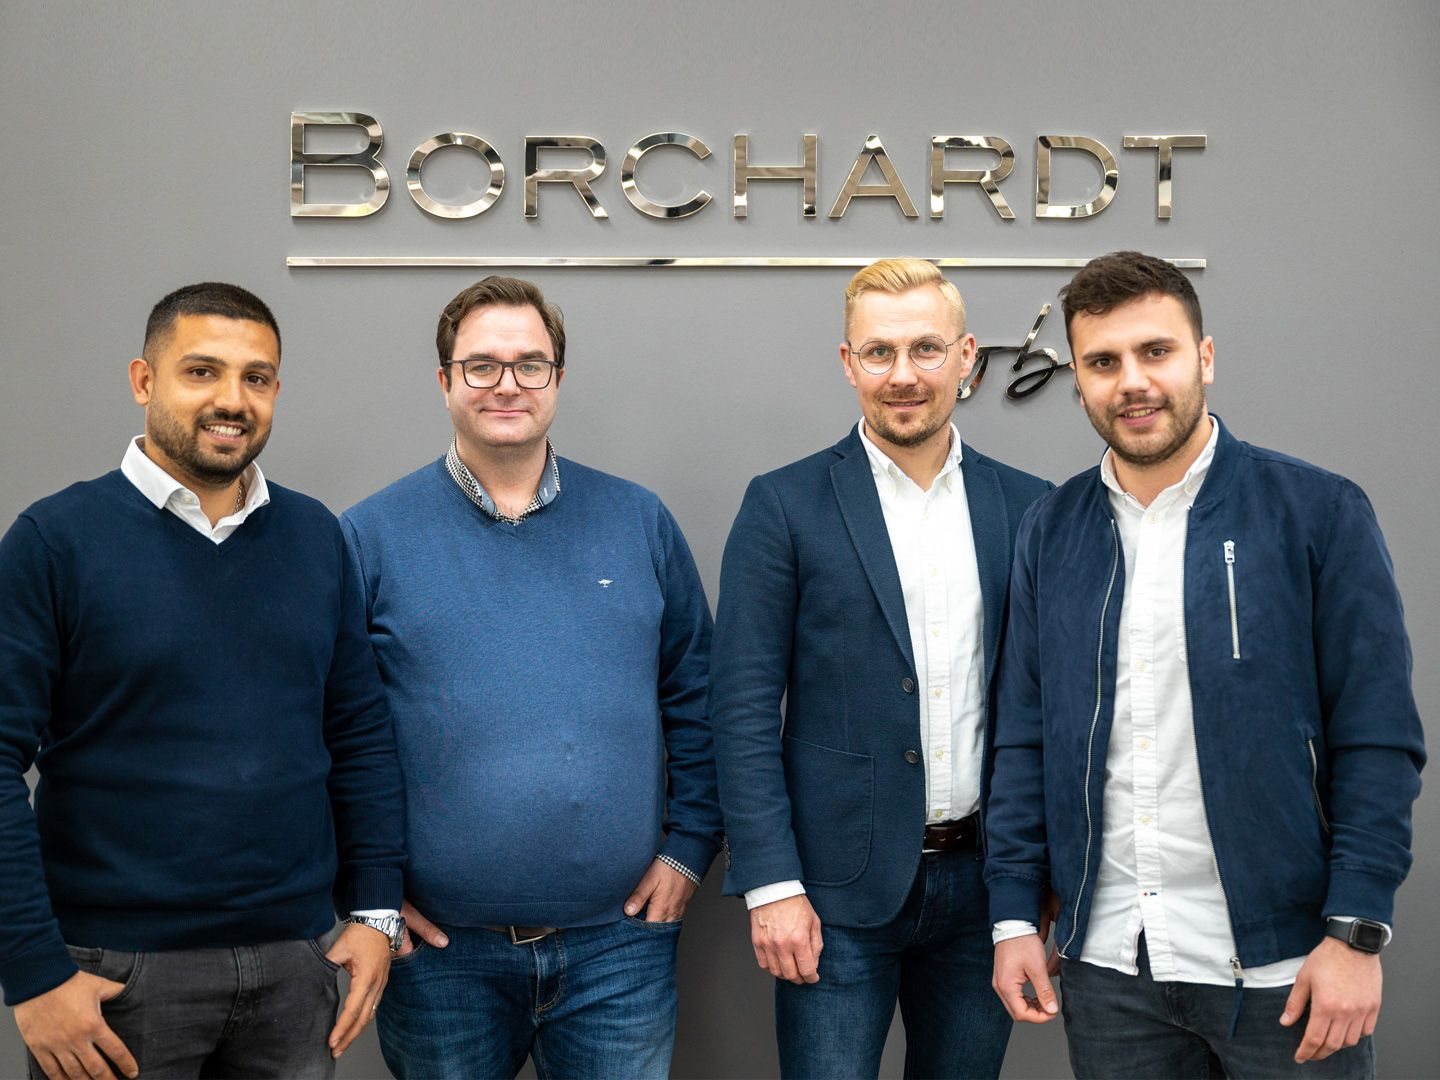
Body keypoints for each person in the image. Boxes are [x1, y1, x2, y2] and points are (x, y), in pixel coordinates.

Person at [986, 251, 1425, 1079]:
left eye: (1156, 351)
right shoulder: (1050, 529)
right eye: (1103, 362)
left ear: (1206, 357)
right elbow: (1025, 738)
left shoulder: (1318, 511)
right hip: (1111, 968)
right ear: (1078, 382)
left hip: (1286, 967)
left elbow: (1377, 739)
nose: (1132, 382)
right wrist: (1013, 917)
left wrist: (1357, 932)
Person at [0, 283, 408, 1080]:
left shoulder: (315, 536)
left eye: (256, 378)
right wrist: (33, 971)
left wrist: (374, 910)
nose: (232, 400)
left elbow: (359, 734)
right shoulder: (55, 541)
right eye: (201, 371)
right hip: (115, 972)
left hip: (294, 966)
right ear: (143, 380)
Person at [340, 275, 722, 1080]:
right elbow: (326, 727)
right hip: (439, 959)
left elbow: (699, 697)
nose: (507, 384)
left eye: (530, 364)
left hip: (619, 949)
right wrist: (366, 891)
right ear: (444, 380)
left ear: (558, 378)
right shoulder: (369, 536)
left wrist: (690, 847)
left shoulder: (639, 521)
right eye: (481, 365)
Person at [709, 258, 1052, 1078]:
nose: (903, 374)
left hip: (987, 891)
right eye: (879, 352)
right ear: (848, 362)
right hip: (832, 892)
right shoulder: (784, 504)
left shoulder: (1029, 505)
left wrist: (1037, 879)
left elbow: (1045, 710)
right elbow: (741, 709)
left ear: (966, 357)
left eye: (926, 349)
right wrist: (772, 883)